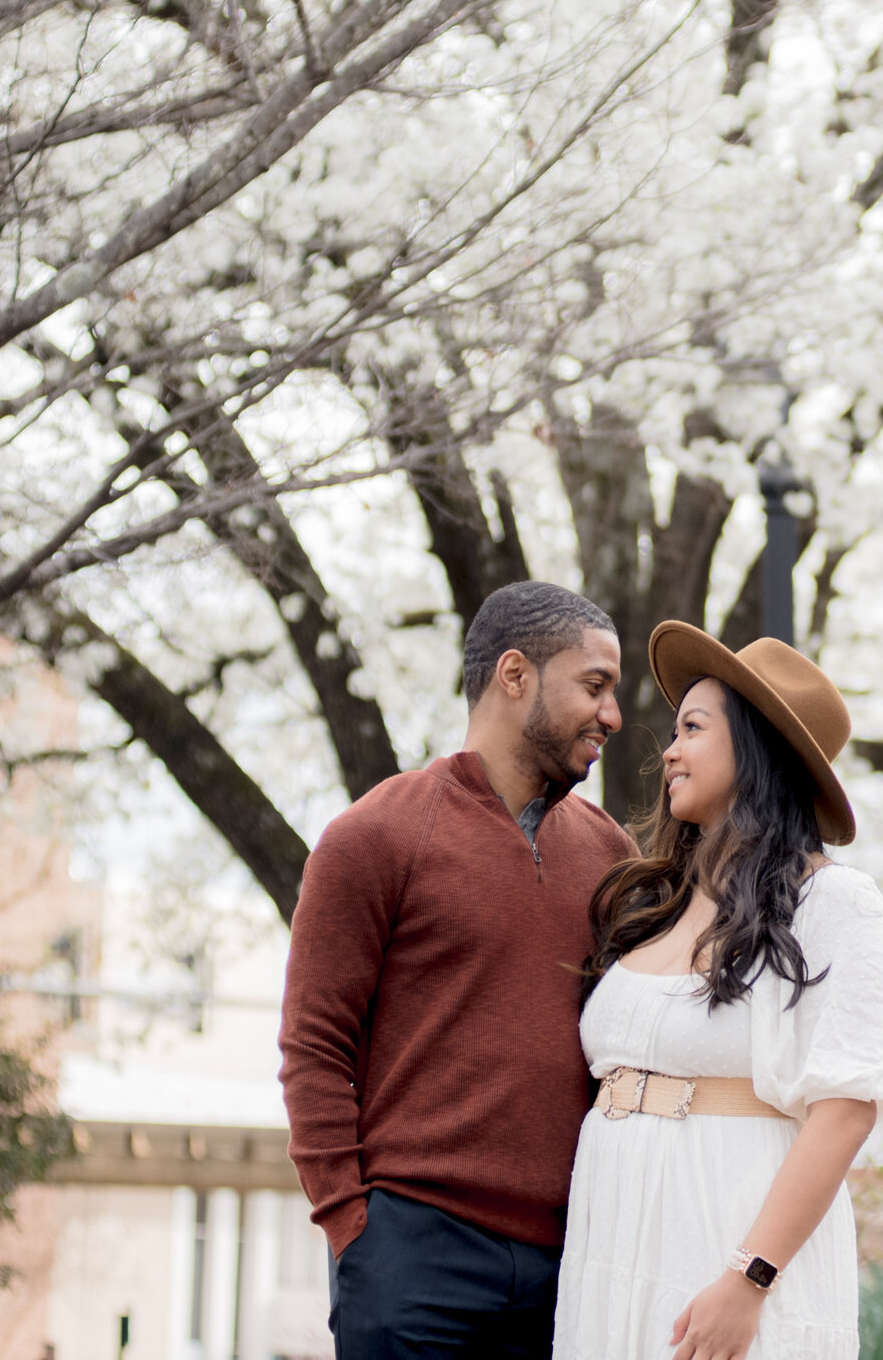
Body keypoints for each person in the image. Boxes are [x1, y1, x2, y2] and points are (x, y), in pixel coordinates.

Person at [280, 581, 639, 1359]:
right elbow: (313, 1047)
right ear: (515, 675)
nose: (612, 714)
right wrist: (352, 1228)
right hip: (412, 1254)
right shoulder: (375, 835)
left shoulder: (615, 857)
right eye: (595, 685)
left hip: (569, 1263)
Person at [554, 621, 883, 1360]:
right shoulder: (651, 906)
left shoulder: (834, 905)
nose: (671, 750)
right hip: (613, 1250)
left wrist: (749, 1278)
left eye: (692, 727)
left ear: (755, 750)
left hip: (726, 1249)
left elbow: (846, 1111)